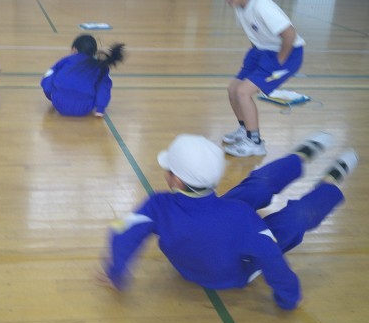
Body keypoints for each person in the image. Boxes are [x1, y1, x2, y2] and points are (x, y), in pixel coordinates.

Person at [100, 131, 358, 310]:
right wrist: (289, 297)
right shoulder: (238, 215)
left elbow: (122, 234)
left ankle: (303, 158)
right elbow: (270, 256)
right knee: (293, 217)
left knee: (256, 188)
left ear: (175, 180)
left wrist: (116, 273)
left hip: (190, 265)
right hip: (237, 273)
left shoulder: (157, 205)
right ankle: (328, 177)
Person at [218, 0, 305, 157]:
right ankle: (245, 130)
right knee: (233, 89)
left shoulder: (262, 6)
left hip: (286, 54)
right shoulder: (240, 5)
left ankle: (255, 142)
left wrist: (280, 61)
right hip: (261, 51)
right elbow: (255, 34)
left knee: (243, 92)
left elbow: (289, 34)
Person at [41, 34, 125, 117]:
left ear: (74, 50)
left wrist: (51, 96)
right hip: (85, 108)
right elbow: (104, 87)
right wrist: (100, 109)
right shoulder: (100, 66)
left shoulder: (66, 60)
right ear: (94, 53)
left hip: (59, 104)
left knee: (51, 75)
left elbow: (48, 79)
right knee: (102, 82)